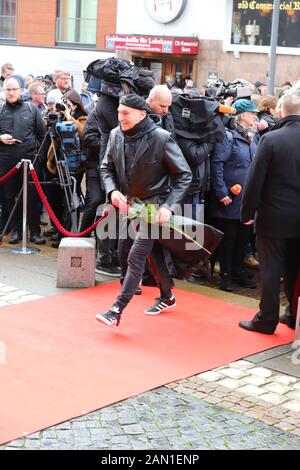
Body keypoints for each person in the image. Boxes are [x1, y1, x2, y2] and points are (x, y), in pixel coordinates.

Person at [96, 94, 192, 327]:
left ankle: (116, 309)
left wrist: (168, 206)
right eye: (119, 112)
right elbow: (105, 168)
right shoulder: (115, 134)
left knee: (136, 255)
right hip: (129, 207)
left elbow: (184, 175)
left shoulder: (161, 138)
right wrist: (112, 191)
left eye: (126, 113)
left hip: (154, 206)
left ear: (142, 114)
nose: (120, 117)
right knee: (139, 252)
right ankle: (167, 296)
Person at [239, 94, 300, 334]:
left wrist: (246, 212)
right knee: (296, 271)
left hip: (273, 218)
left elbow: (254, 181)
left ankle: (267, 319)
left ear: (281, 113)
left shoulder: (271, 139)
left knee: (271, 269)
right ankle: (294, 315)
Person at [210, 98, 258, 292]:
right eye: (252, 113)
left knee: (243, 238)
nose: (255, 116)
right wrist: (221, 192)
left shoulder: (253, 137)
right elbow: (217, 164)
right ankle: (226, 275)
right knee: (229, 240)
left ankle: (237, 271)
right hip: (229, 198)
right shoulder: (228, 137)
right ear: (241, 115)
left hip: (246, 199)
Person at [0, 77, 46, 244]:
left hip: (30, 163)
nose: (11, 93)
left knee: (32, 198)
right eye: (8, 90)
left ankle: (35, 232)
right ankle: (16, 231)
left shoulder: (32, 109)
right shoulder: (0, 110)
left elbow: (43, 135)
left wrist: (39, 158)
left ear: (20, 90)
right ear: (4, 91)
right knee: (10, 197)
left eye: (14, 89)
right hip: (6, 163)